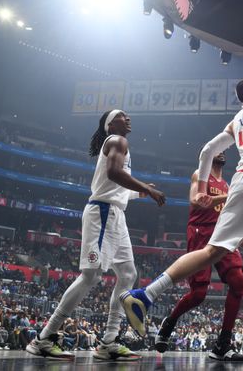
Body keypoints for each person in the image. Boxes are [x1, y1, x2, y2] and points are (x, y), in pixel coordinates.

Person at [121, 78, 243, 366]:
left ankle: (145, 294)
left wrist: (200, 190)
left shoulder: (235, 121)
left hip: (242, 178)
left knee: (213, 251)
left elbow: (207, 151)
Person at [27, 110, 165, 361]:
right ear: (111, 125)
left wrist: (137, 193)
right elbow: (114, 174)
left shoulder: (119, 143)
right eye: (122, 115)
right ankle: (44, 338)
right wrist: (144, 187)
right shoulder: (117, 141)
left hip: (114, 214)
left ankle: (108, 341)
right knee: (91, 276)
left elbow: (111, 183)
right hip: (102, 213)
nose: (128, 117)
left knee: (127, 274)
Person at [153, 152, 243, 361]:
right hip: (200, 231)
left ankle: (222, 345)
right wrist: (230, 195)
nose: (221, 151)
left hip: (223, 234)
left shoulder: (226, 184)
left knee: (238, 282)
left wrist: (240, 237)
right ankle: (169, 322)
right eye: (216, 149)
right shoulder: (200, 174)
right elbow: (196, 201)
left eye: (224, 150)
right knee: (198, 295)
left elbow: (225, 213)